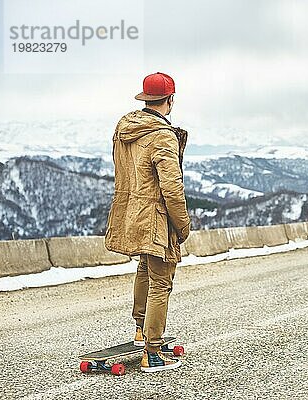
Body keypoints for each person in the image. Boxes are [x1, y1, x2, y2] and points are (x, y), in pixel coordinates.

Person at [104, 72, 190, 372]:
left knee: (144, 267)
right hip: (155, 217)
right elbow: (172, 188)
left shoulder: (125, 129)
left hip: (131, 211)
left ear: (145, 97)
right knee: (161, 281)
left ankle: (141, 330)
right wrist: (183, 225)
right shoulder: (162, 135)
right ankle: (152, 352)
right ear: (170, 99)